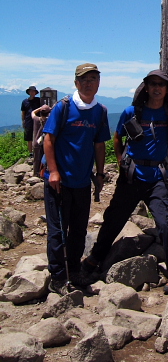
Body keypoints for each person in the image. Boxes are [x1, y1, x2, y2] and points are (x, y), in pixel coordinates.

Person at [81, 70, 168, 295]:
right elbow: (118, 137)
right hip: (132, 176)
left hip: (157, 177)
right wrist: (121, 162)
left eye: (161, 85)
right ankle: (95, 258)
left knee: (166, 222)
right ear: (146, 88)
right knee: (113, 219)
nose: (157, 88)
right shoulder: (132, 112)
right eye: (153, 84)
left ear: (167, 90)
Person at [43, 63, 110, 295]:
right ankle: (58, 278)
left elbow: (99, 144)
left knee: (79, 230)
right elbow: (48, 140)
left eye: (93, 78)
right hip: (58, 181)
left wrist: (100, 174)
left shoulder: (100, 111)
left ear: (98, 83)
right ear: (76, 83)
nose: (89, 83)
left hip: (82, 181)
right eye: (84, 79)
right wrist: (53, 171)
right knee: (57, 231)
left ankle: (74, 271)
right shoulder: (63, 107)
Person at [31, 104, 52, 177]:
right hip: (45, 143)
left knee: (36, 158)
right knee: (44, 159)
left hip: (36, 143)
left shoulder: (36, 119)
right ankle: (43, 173)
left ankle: (35, 173)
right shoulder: (49, 120)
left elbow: (32, 113)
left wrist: (40, 108)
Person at [21, 86, 41, 154]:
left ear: (35, 93)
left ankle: (37, 151)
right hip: (28, 121)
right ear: (29, 92)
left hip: (37, 121)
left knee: (37, 136)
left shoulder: (38, 100)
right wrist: (23, 121)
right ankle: (31, 153)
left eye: (33, 91)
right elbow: (23, 112)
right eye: (31, 91)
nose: (32, 92)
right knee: (29, 138)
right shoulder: (25, 102)